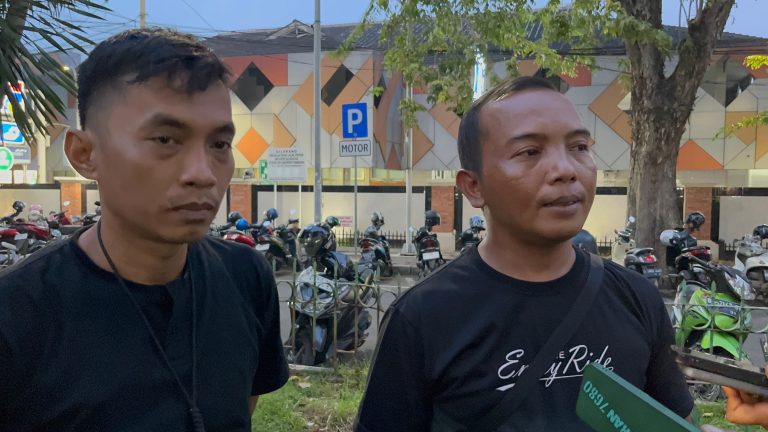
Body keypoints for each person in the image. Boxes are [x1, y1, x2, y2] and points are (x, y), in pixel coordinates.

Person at [354, 76, 693, 431]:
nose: (565, 170)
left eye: (579, 147)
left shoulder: (637, 298)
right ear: (474, 186)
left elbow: (675, 421)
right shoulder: (422, 316)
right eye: (530, 152)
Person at [0, 28, 288, 431]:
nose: (203, 174)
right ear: (84, 153)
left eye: (219, 145)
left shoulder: (246, 277)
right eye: (165, 139)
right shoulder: (16, 316)